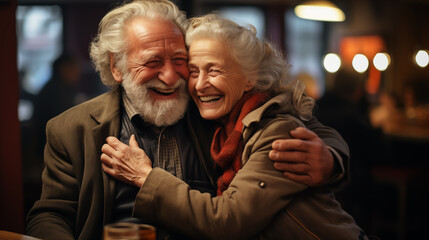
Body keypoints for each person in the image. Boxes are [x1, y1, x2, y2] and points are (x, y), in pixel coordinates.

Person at [26, 1, 349, 239]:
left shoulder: (209, 104)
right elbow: (51, 214)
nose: (172, 78)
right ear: (116, 67)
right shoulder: (71, 128)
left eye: (180, 60)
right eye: (152, 62)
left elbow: (297, 124)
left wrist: (330, 159)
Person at [101, 13, 366, 240]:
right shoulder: (214, 113)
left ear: (250, 78)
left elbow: (226, 222)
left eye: (214, 70)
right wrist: (334, 157)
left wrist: (145, 177)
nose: (200, 84)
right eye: (193, 71)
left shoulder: (275, 131)